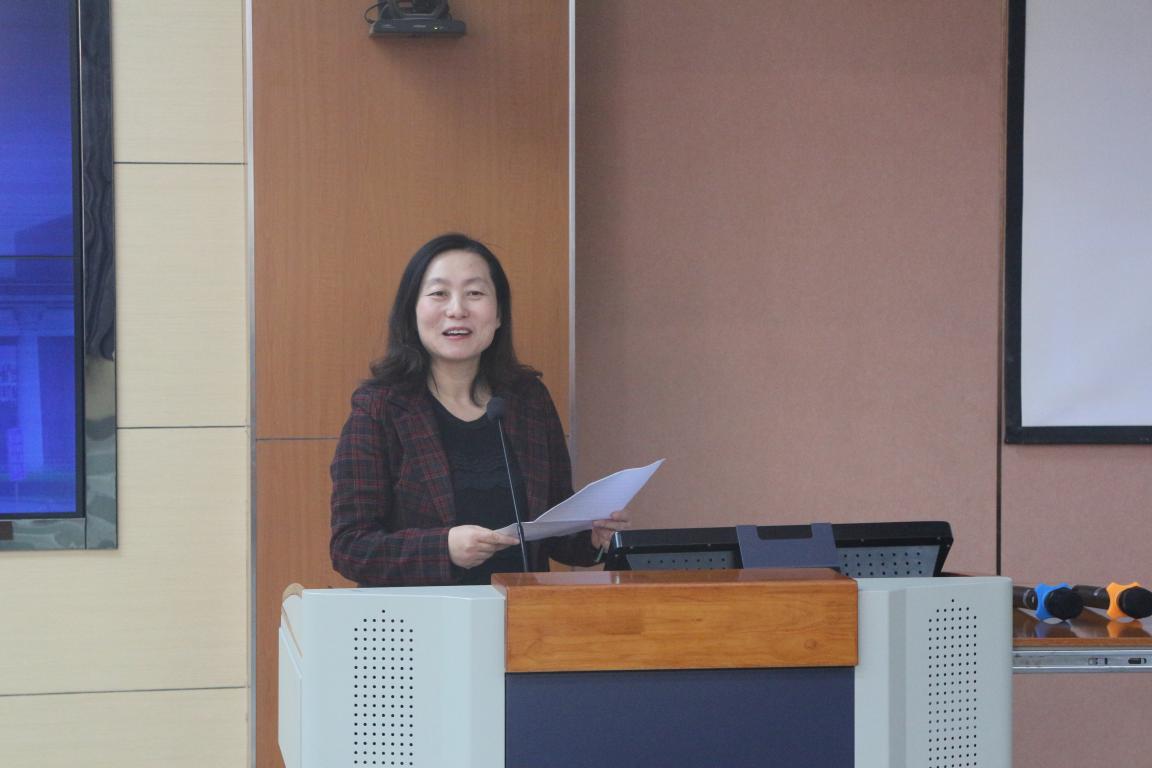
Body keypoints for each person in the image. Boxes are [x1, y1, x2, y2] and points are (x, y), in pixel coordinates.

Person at [330, 233, 628, 586]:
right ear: (412, 311)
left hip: (521, 614)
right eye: (439, 293)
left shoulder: (527, 400)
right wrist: (444, 548)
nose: (457, 309)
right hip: (423, 617)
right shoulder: (380, 408)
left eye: (474, 293)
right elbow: (351, 547)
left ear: (499, 314)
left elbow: (554, 533)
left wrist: (592, 537)